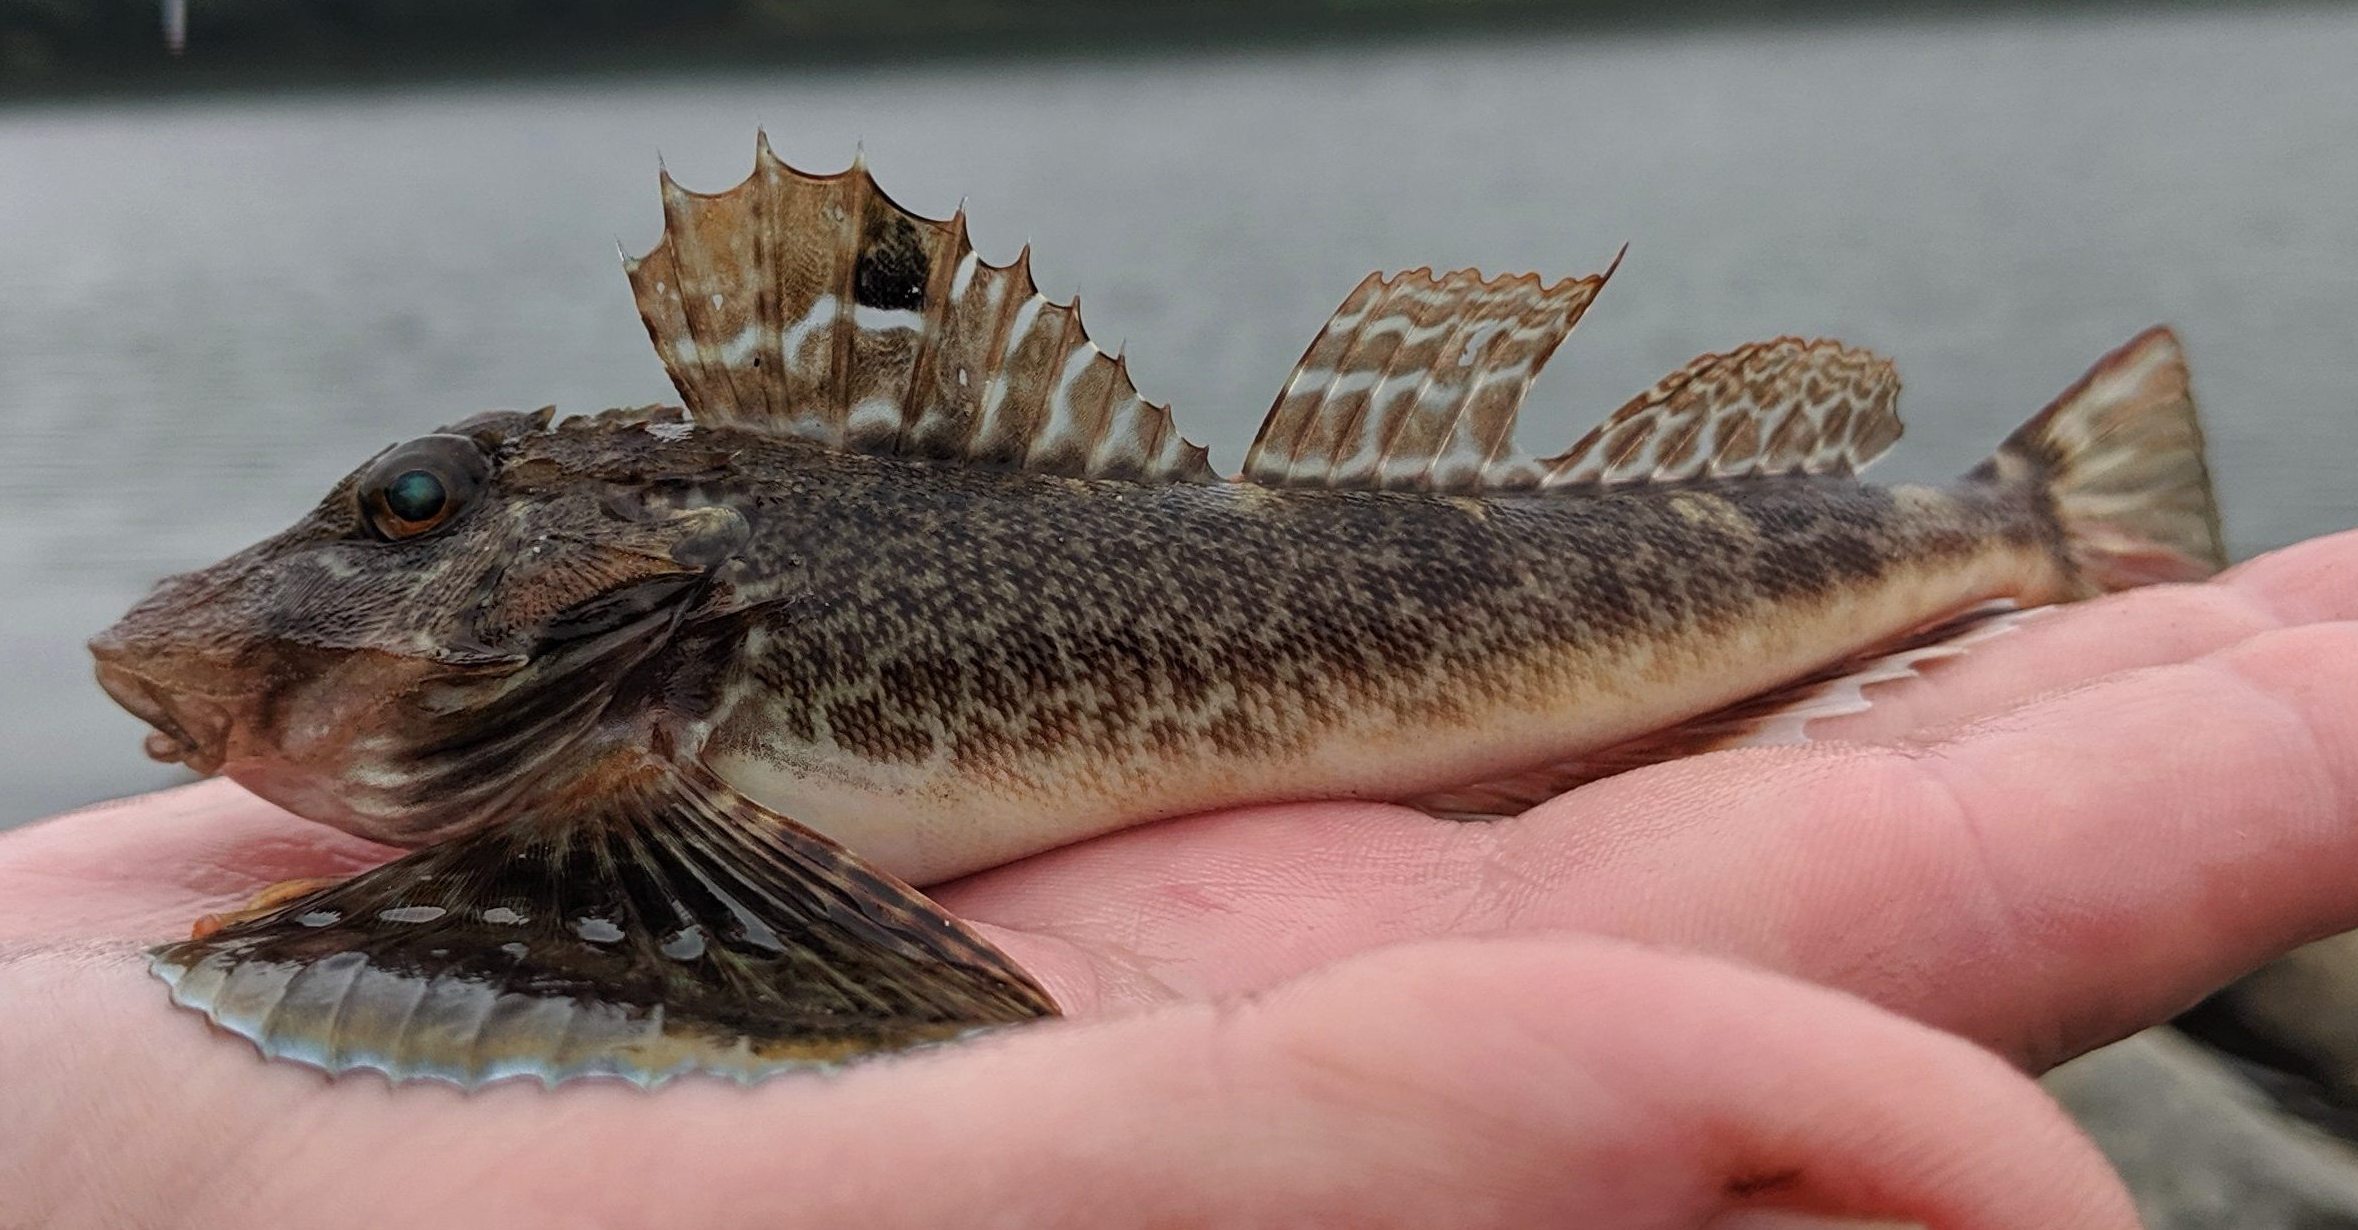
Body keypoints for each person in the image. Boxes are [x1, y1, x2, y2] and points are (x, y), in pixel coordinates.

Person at [6, 528, 2357, 1230]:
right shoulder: (580, 726)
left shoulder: (629, 740)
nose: (256, 619)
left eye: (406, 528)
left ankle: (2025, 530)